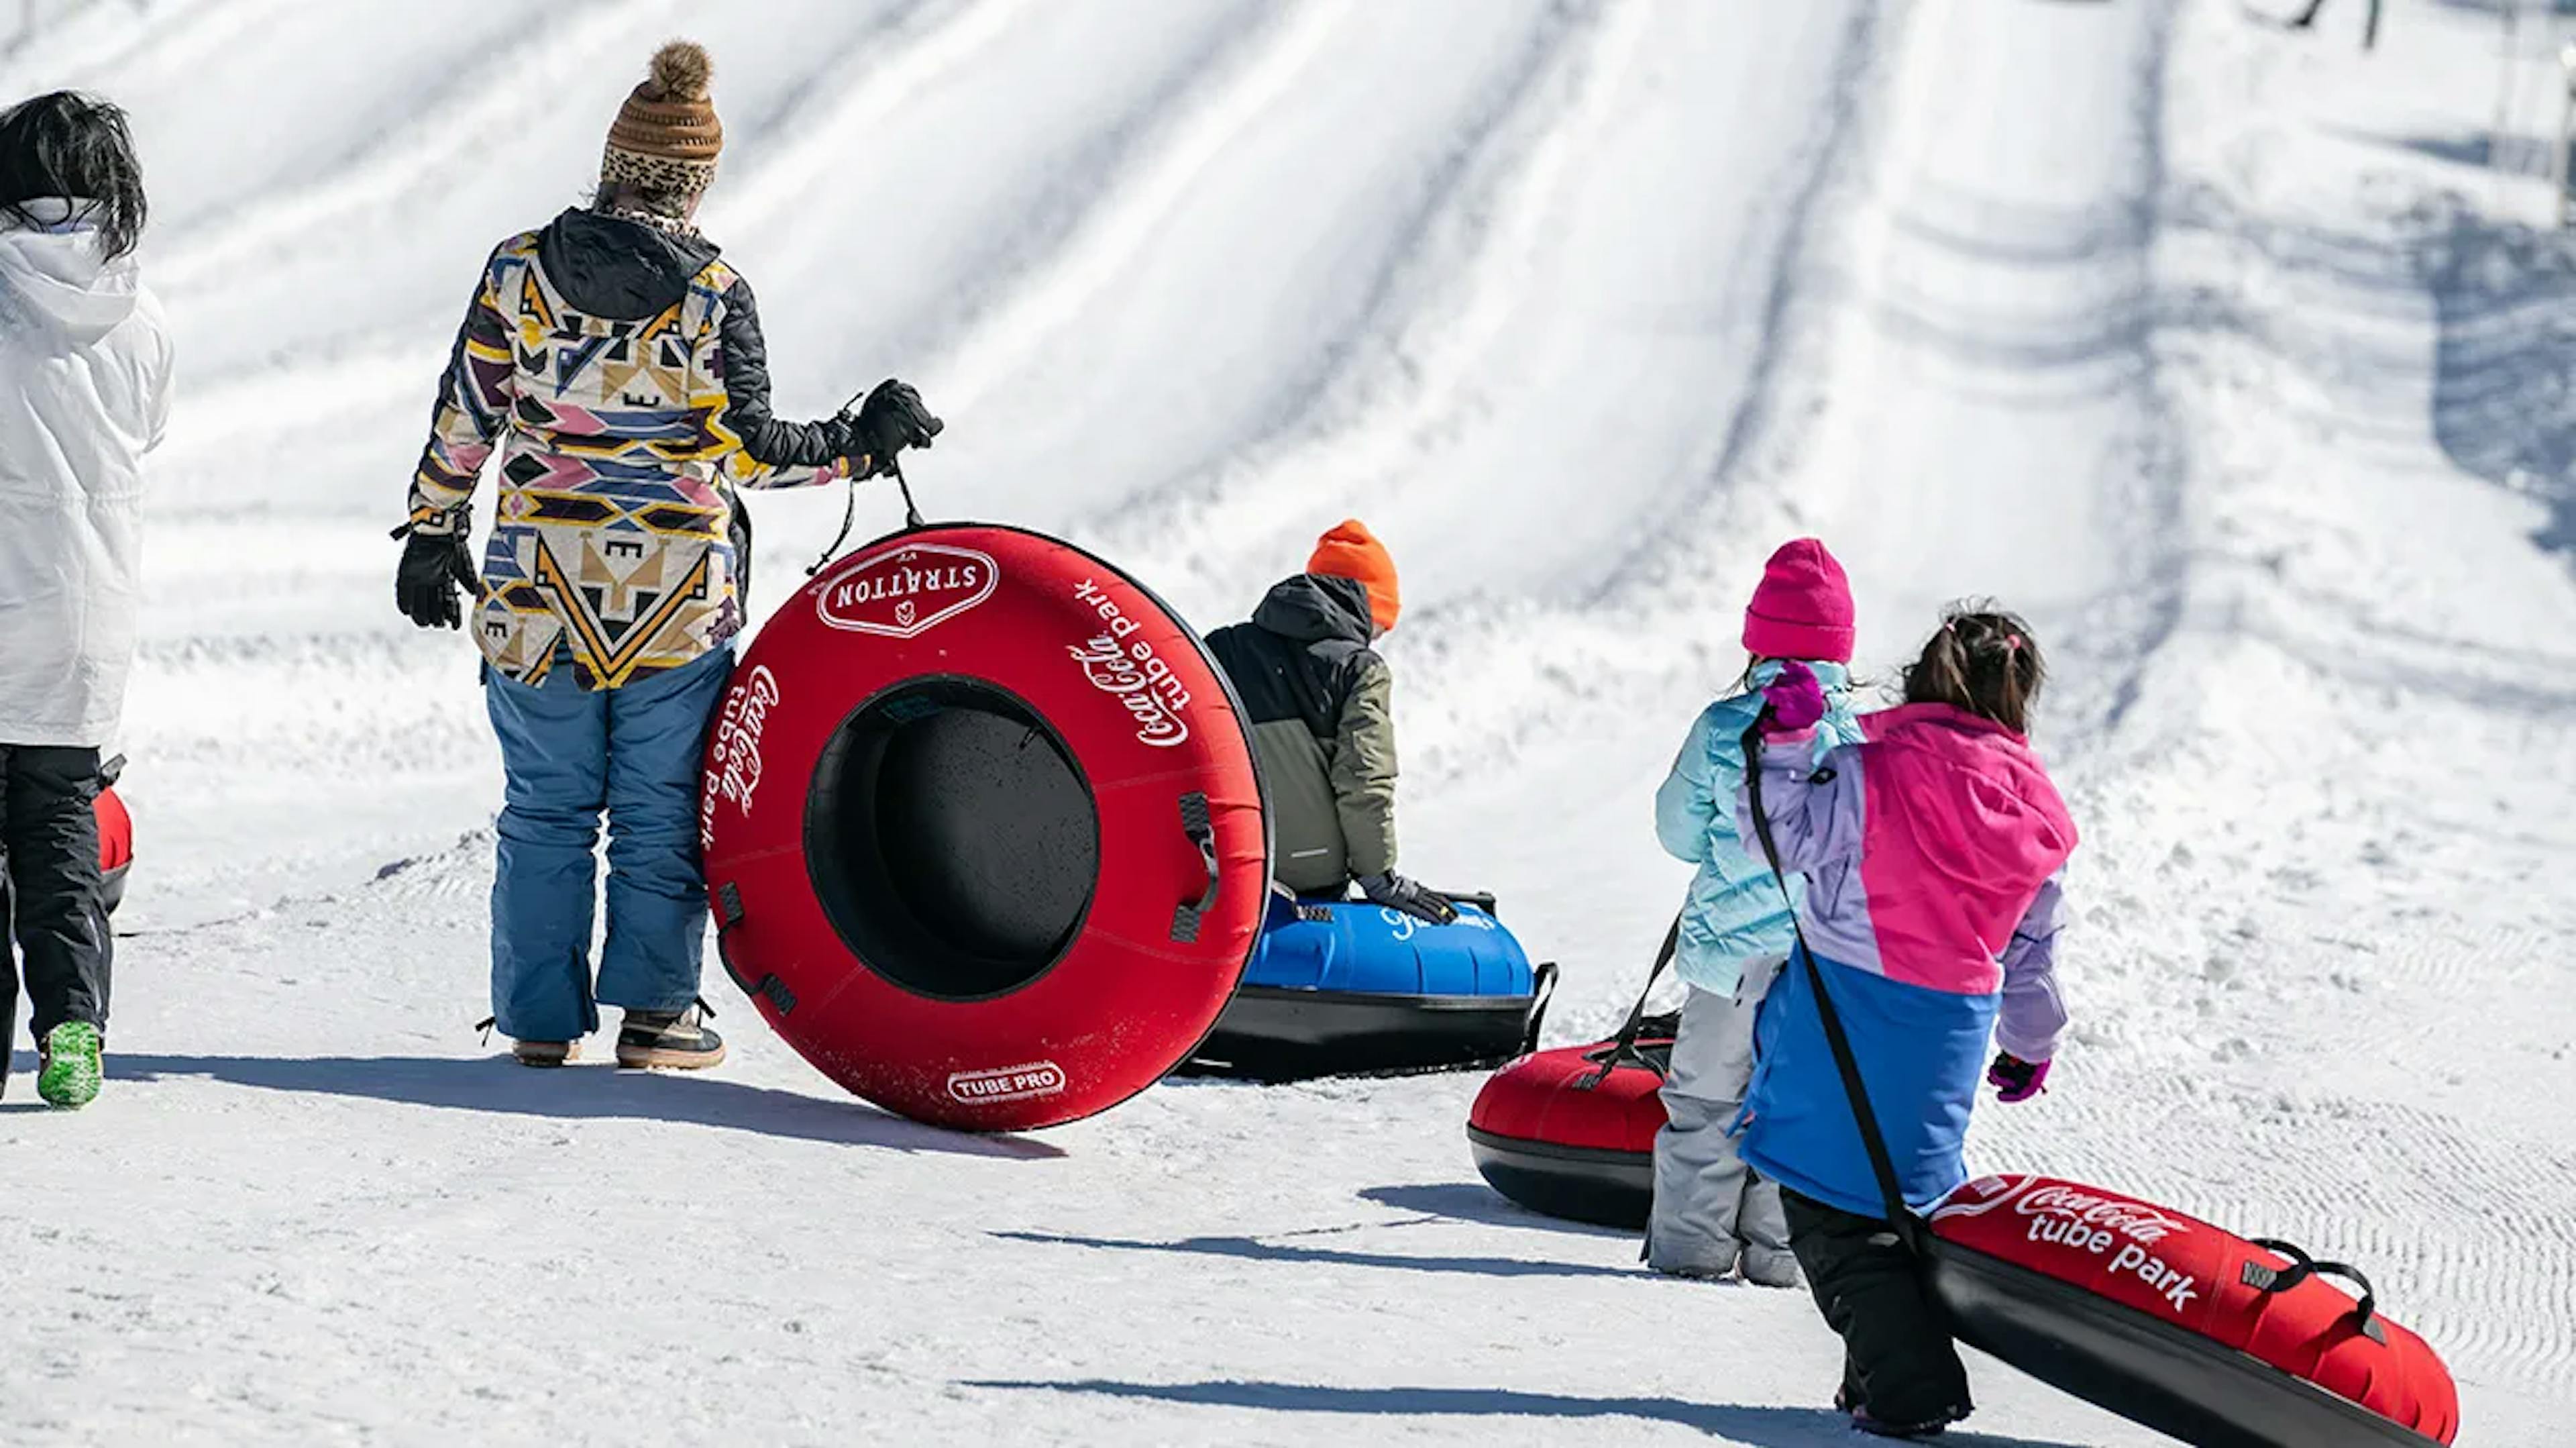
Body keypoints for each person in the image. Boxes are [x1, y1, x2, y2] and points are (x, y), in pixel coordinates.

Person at [396, 40, 941, 1070]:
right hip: (676, 602)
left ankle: (538, 1017)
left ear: (613, 161)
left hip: (536, 589)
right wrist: (859, 446)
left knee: (546, 808)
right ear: (696, 181)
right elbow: (750, 448)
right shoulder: (713, 294)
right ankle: (656, 1016)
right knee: (658, 810)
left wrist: (432, 528)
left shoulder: (518, 269)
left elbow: (465, 416)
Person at [1733, 607, 2075, 1440]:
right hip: (1949, 1030)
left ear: (1923, 677)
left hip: (1848, 1004)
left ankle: (1909, 1386)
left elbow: (1774, 838)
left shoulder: (1873, 771)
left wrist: (1784, 747)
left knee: (1827, 1208)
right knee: (1895, 1199)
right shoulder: (2036, 813)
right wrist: (2032, 1039)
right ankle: (1873, 1384)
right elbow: (2033, 946)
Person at [0, 92, 172, 1109]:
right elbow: (145, 434)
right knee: (57, 827)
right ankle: (74, 1027)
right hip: (86, 614)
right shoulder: (140, 314)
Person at [1646, 539, 1863, 1287]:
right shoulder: (1863, 739)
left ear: (1757, 640)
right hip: (1821, 969)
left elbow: (1677, 831)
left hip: (1724, 967)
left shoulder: (1721, 726)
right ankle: (1780, 1258)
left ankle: (1690, 1251)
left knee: (1705, 1104)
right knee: (1798, 1111)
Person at [1203, 521, 1453, 923]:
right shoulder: (1359, 669)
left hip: (1230, 867)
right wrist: (1379, 877)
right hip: (1312, 878)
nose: (1375, 639)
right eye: (1381, 627)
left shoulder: (1222, 648)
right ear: (1366, 606)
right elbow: (1364, 778)